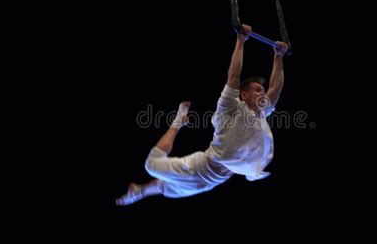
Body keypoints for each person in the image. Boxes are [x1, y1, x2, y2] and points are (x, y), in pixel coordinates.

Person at [115, 25, 288, 205]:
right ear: (243, 95)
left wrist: (279, 55)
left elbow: (276, 87)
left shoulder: (261, 112)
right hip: (199, 168)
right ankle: (178, 121)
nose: (263, 94)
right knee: (151, 165)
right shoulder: (229, 106)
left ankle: (138, 192)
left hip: (214, 181)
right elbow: (234, 75)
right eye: (257, 90)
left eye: (262, 90)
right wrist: (241, 41)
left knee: (165, 188)